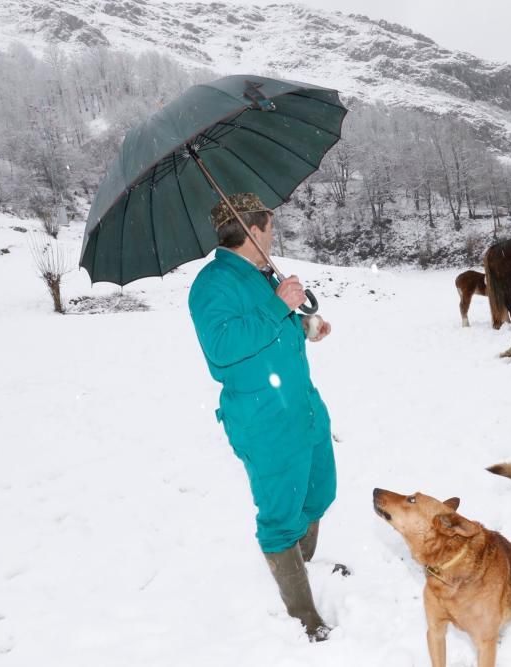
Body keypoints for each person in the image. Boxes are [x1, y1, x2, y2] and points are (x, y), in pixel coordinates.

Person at [188, 193, 336, 642]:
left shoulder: (260, 272)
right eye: (270, 227)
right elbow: (222, 348)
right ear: (253, 230)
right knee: (279, 515)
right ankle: (303, 613)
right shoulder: (212, 284)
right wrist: (277, 306)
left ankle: (302, 565)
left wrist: (303, 324)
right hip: (265, 420)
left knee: (319, 493)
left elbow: (272, 327)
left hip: (302, 408)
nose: (274, 235)